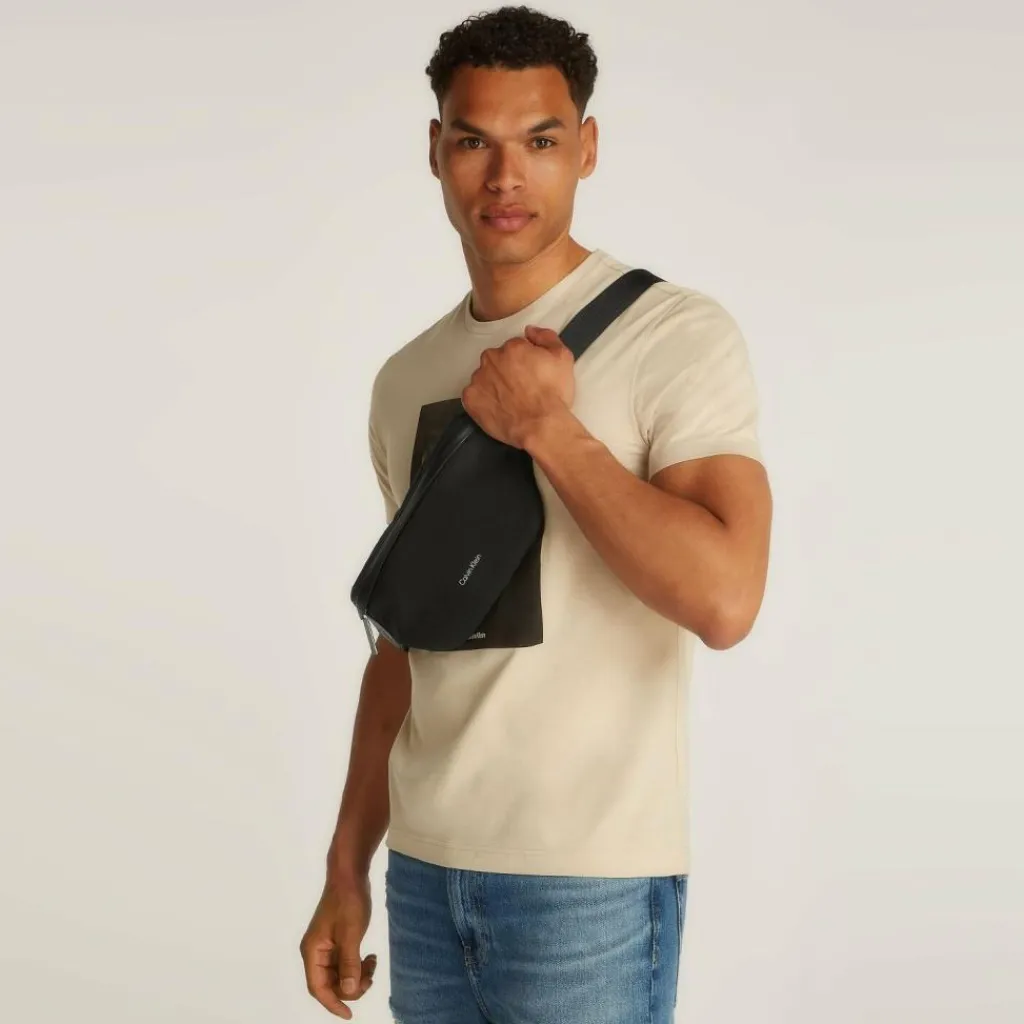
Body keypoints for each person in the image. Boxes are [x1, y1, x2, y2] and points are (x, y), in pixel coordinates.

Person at [300, 6, 773, 1022]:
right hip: (423, 876)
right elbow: (403, 650)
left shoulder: (672, 335)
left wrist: (552, 431)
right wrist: (347, 867)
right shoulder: (404, 380)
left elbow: (727, 600)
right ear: (437, 150)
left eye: (541, 142)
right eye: (475, 141)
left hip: (586, 886)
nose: (505, 177)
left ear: (587, 148)